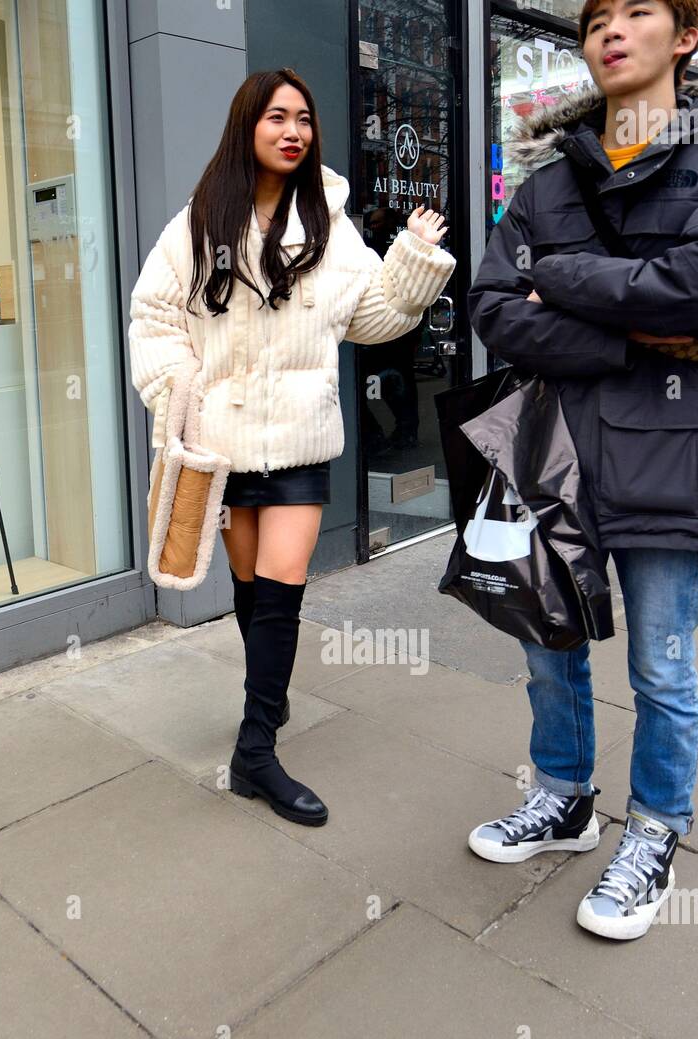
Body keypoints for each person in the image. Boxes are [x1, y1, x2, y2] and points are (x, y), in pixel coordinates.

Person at [466, 0, 698, 939]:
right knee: (546, 637)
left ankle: (654, 830)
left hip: (674, 449)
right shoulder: (546, 179)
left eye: (636, 10)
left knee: (662, 661)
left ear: (683, 35)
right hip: (551, 446)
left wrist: (558, 280)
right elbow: (490, 303)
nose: (609, 28)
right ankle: (563, 796)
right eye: (596, 16)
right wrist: (630, 333)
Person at [129, 68, 455, 827]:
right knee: (253, 597)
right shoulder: (197, 224)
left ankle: (254, 748)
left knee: (281, 588)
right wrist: (184, 394)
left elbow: (372, 319)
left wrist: (410, 260)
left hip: (302, 440)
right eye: (277, 117)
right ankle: (262, 712)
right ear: (249, 127)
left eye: (303, 119)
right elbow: (153, 318)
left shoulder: (333, 225)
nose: (293, 131)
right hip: (224, 442)